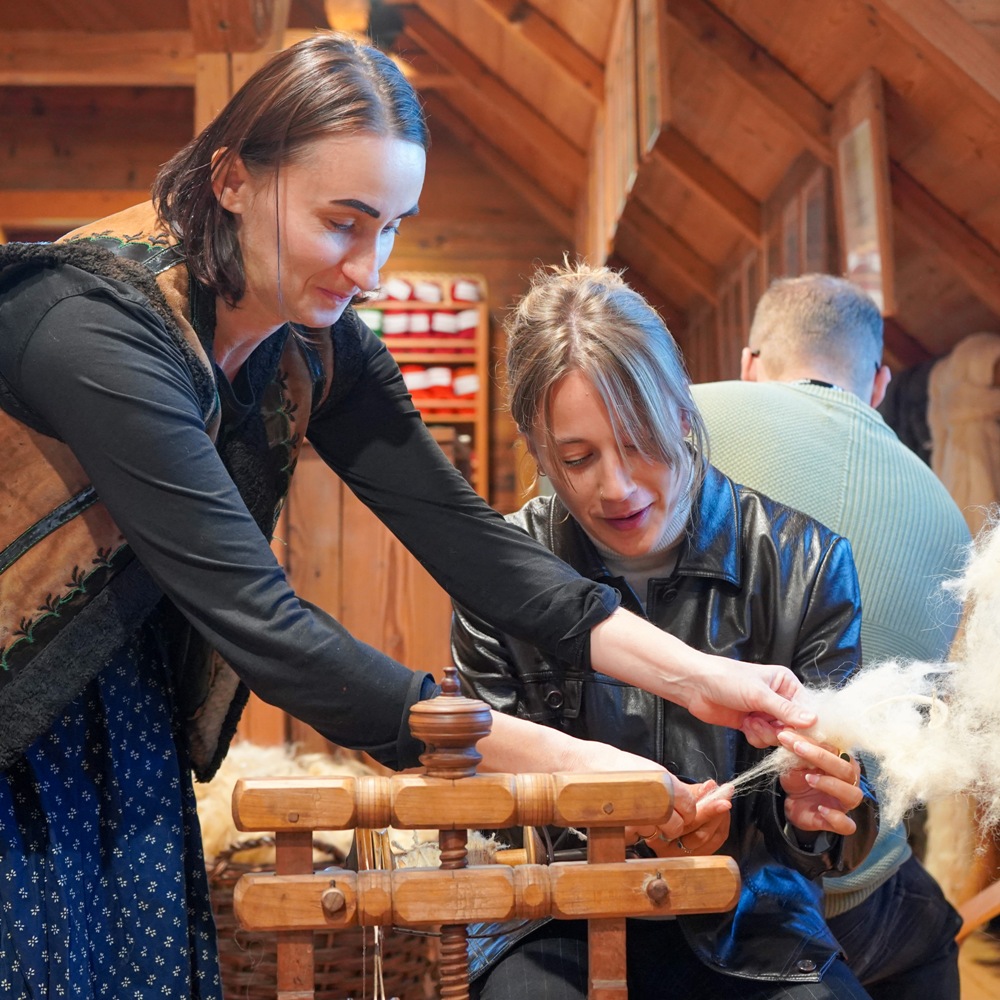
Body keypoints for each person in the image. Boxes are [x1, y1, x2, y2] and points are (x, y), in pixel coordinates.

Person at [0, 34, 818, 998]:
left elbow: (473, 545)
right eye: (344, 222)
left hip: (115, 701)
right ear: (230, 179)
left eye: (391, 227)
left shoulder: (311, 339)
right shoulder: (93, 325)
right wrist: (578, 763)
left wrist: (710, 679)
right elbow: (267, 628)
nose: (372, 268)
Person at [451, 261, 879, 1000]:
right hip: (556, 923)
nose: (614, 486)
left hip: (753, 924)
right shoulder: (503, 572)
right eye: (576, 458)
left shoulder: (807, 562)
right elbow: (490, 799)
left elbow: (842, 823)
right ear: (537, 447)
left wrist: (816, 811)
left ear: (683, 411)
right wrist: (622, 824)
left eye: (639, 440)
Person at [691, 274, 970, 999]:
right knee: (927, 926)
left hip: (691, 868)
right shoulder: (945, 510)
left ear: (751, 360)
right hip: (856, 893)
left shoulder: (680, 418)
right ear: (878, 382)